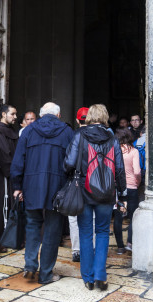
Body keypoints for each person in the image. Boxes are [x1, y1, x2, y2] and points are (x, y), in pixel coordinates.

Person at [64, 104, 126, 291]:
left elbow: (68, 163)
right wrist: (121, 192)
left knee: (85, 232)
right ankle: (100, 274)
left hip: (84, 190)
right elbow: (120, 168)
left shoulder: (79, 135)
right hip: (106, 192)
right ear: (105, 117)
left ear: (89, 116)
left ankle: (88, 278)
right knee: (102, 232)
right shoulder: (112, 138)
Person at [11, 102, 74, 284]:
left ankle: (30, 265)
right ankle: (45, 274)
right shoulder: (67, 132)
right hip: (58, 186)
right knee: (53, 231)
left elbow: (18, 162)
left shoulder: (29, 131)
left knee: (32, 225)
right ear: (59, 115)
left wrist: (17, 186)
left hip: (32, 186)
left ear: (40, 115)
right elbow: (73, 162)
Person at [0, 104, 19, 242]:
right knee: (4, 203)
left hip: (11, 172)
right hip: (3, 173)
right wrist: (12, 173)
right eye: (12, 114)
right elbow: (3, 154)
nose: (15, 117)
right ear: (3, 114)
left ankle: (11, 237)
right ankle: (3, 238)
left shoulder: (9, 130)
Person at [113, 128, 141, 254]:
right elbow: (137, 171)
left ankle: (120, 247)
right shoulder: (134, 151)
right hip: (131, 188)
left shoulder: (114, 151)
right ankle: (129, 243)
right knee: (132, 216)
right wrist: (137, 182)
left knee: (118, 217)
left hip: (119, 188)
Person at [68, 107, 89, 262]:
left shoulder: (72, 135)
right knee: (92, 217)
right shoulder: (99, 135)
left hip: (75, 179)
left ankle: (76, 250)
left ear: (77, 120)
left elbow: (69, 161)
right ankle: (90, 248)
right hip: (92, 181)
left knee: (74, 217)